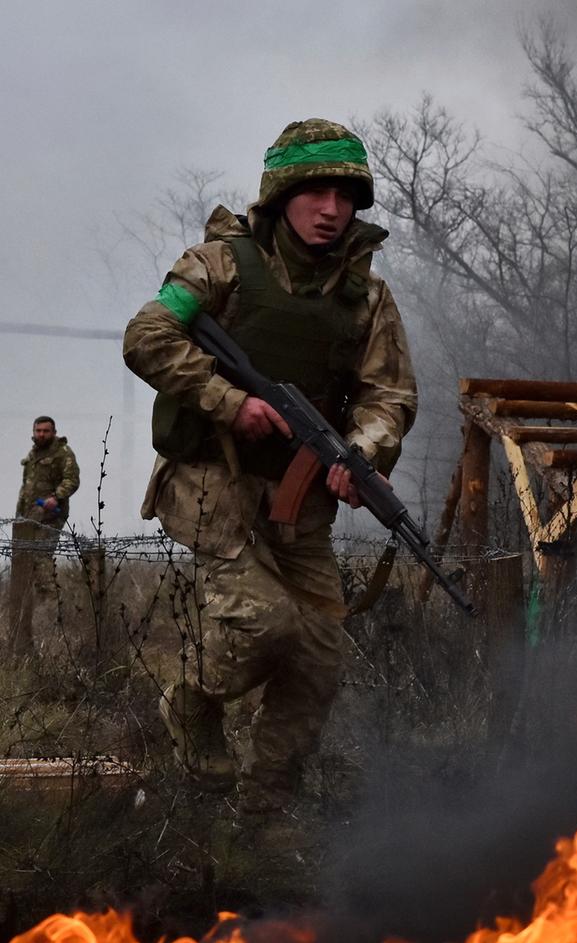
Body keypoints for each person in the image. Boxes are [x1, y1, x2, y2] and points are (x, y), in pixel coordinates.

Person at [123, 118, 417, 812]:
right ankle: (191, 702)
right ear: (281, 196)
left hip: (301, 498)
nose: (331, 210)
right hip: (210, 484)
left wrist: (362, 455)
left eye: (346, 196)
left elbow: (390, 394)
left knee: (318, 656)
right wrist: (229, 401)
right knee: (262, 623)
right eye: (315, 193)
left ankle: (266, 806)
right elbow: (148, 334)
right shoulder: (220, 264)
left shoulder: (367, 297)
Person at [9, 416, 80, 652]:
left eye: (45, 431)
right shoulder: (32, 455)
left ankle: (50, 607)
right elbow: (26, 487)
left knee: (41, 561)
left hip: (50, 519)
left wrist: (55, 497)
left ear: (53, 431)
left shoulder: (62, 453)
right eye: (38, 430)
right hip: (27, 519)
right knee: (22, 565)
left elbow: (72, 480)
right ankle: (22, 618)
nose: (41, 434)